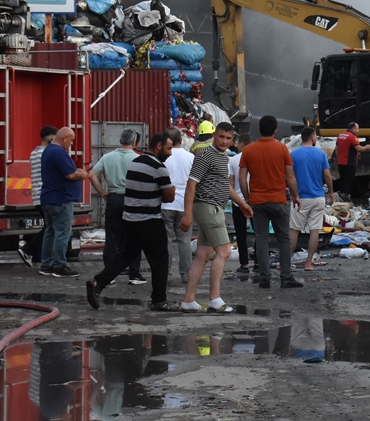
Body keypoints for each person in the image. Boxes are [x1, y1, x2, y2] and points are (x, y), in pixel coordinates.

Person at [87, 131, 177, 312]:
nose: (170, 153)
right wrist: (170, 188)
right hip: (150, 221)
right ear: (159, 146)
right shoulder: (158, 167)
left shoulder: (135, 163)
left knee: (125, 255)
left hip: (130, 219)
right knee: (160, 260)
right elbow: (169, 197)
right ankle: (159, 300)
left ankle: (99, 282)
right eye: (168, 149)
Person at [179, 121, 252, 312]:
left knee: (203, 255)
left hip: (214, 207)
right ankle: (215, 298)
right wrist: (187, 214)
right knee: (224, 251)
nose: (224, 141)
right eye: (221, 136)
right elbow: (191, 184)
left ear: (233, 139)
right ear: (214, 135)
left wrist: (242, 204)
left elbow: (225, 186)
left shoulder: (224, 157)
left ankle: (188, 300)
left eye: (228, 138)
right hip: (208, 208)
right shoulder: (205, 155)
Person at [238, 115, 303, 289]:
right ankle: (286, 277)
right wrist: (295, 196)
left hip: (257, 201)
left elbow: (242, 179)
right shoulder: (282, 149)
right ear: (275, 131)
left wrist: (247, 198)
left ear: (259, 129)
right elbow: (290, 176)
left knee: (262, 239)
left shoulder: (249, 150)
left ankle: (265, 278)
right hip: (278, 200)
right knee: (283, 239)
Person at [90, 129, 143, 285]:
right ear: (134, 142)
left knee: (112, 238)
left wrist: (102, 192)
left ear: (120, 140)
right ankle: (134, 274)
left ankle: (109, 274)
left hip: (113, 199)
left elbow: (92, 174)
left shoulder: (107, 157)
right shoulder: (138, 158)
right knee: (134, 237)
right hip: (132, 199)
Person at [39, 127, 87, 278]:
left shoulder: (48, 151)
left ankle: (46, 265)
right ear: (65, 138)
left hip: (48, 197)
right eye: (71, 140)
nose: (71, 144)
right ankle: (59, 265)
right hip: (61, 199)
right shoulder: (59, 152)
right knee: (62, 233)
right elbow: (70, 175)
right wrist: (81, 174)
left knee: (50, 232)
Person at [290, 126, 335, 270]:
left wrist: (292, 192)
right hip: (318, 197)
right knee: (314, 230)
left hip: (300, 198)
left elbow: (289, 177)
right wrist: (331, 192)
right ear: (313, 137)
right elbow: (327, 175)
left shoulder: (294, 155)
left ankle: (286, 262)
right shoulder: (321, 154)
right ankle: (309, 262)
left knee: (294, 230)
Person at [161, 127, 195, 284]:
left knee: (165, 241)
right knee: (184, 240)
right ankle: (186, 274)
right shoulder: (190, 157)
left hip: (165, 204)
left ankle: (165, 272)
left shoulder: (163, 157)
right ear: (181, 140)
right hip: (184, 204)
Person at [22, 125, 58, 268]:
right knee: (53, 227)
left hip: (37, 195)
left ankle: (37, 254)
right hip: (46, 195)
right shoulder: (46, 153)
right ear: (50, 138)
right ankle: (28, 250)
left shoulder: (34, 153)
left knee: (51, 226)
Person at [229, 136, 251, 275]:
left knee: (241, 234)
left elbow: (230, 183)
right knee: (260, 233)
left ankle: (244, 264)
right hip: (255, 200)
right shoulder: (257, 157)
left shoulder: (233, 160)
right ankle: (260, 264)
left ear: (242, 144)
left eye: (237, 143)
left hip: (238, 201)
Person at [334, 122, 370, 200]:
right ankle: (345, 198)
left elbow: (337, 148)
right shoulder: (352, 136)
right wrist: (366, 147)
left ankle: (341, 197)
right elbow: (358, 148)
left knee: (343, 180)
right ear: (353, 128)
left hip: (340, 162)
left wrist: (338, 158)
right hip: (349, 163)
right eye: (357, 128)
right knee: (349, 181)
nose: (358, 130)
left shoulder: (340, 135)